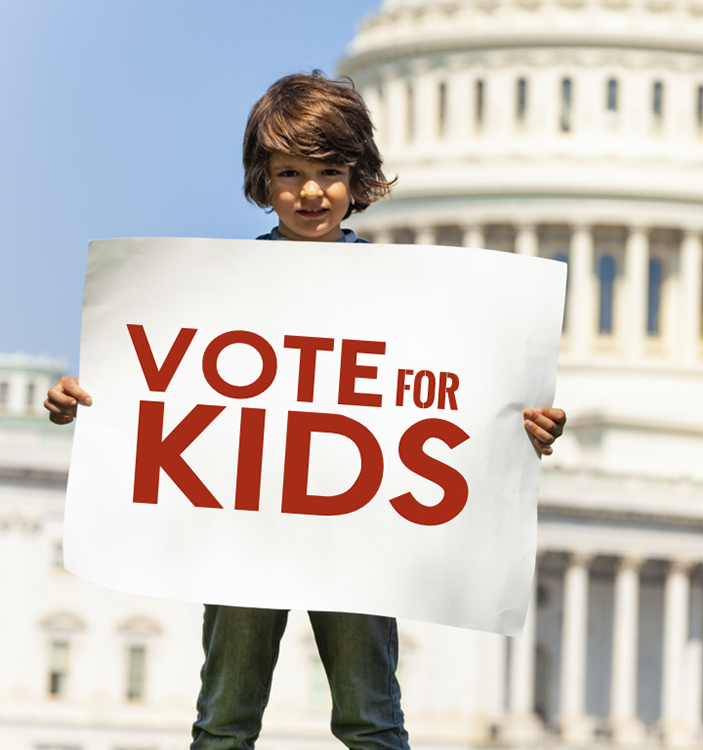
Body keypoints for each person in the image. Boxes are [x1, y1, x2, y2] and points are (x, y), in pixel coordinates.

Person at [43, 70, 566, 750]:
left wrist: (521, 429)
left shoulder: (414, 297)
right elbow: (164, 384)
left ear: (359, 178)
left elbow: (446, 399)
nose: (311, 191)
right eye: (289, 173)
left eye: (329, 171)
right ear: (262, 180)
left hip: (357, 530)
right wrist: (83, 400)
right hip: (244, 523)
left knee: (370, 718)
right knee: (223, 722)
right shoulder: (214, 286)